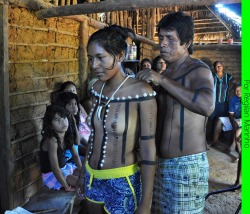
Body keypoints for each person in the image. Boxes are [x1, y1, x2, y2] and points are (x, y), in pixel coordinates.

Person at [137, 11, 214, 213]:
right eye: (161, 38)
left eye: (170, 38)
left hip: (186, 166)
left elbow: (207, 105)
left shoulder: (198, 70)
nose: (162, 44)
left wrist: (161, 81)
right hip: (161, 164)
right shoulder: (167, 73)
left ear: (186, 42)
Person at [76, 25, 157, 214]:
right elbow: (95, 137)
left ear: (120, 56)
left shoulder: (141, 92)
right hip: (92, 177)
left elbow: (148, 150)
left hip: (122, 180)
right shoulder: (97, 88)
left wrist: (145, 204)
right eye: (90, 59)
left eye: (100, 58)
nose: (94, 65)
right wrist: (82, 175)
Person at [39, 105, 82, 191]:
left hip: (64, 168)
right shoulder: (52, 140)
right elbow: (55, 168)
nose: (63, 122)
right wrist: (67, 187)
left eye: (64, 118)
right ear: (50, 125)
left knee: (87, 177)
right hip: (52, 174)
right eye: (57, 120)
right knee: (82, 184)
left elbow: (75, 155)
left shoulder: (66, 135)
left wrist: (82, 171)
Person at [55, 92, 91, 160]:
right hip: (68, 160)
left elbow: (80, 139)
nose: (75, 107)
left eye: (75, 104)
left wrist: (92, 147)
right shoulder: (63, 125)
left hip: (74, 156)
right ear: (63, 106)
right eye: (70, 105)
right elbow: (77, 142)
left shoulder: (73, 119)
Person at [207, 61, 234, 141]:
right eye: (216, 66)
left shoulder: (228, 77)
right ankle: (209, 138)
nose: (218, 68)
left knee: (222, 120)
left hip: (223, 103)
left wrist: (230, 95)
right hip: (213, 102)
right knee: (210, 120)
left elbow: (232, 86)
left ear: (223, 66)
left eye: (219, 66)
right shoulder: (211, 75)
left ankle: (220, 138)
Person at [211, 83, 241, 151]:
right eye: (237, 90)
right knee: (219, 120)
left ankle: (233, 146)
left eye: (240, 90)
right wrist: (232, 121)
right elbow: (231, 114)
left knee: (236, 123)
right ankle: (215, 141)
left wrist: (234, 122)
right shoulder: (233, 99)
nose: (238, 92)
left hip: (244, 120)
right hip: (234, 118)